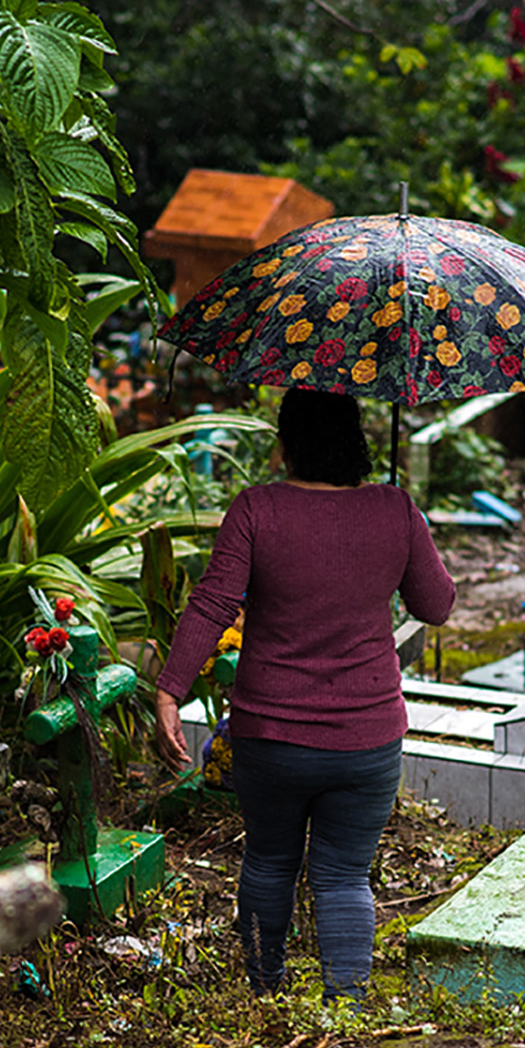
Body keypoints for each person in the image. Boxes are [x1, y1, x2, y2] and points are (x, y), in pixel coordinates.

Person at [153, 389, 456, 1000]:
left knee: (268, 862)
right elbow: (436, 605)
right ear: (356, 443)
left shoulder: (255, 509)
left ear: (286, 445)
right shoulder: (394, 509)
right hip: (366, 739)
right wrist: (400, 529)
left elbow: (214, 602)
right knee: (345, 876)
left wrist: (169, 690)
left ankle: (266, 994)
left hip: (271, 736)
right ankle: (343, 1009)